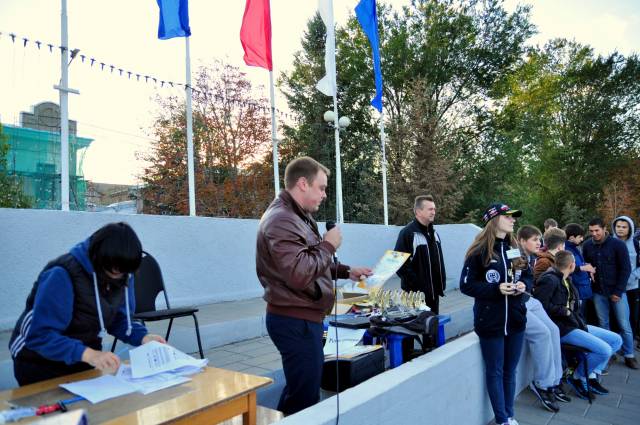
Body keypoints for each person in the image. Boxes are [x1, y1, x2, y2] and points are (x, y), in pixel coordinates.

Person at [255, 156, 372, 415]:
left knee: (301, 390)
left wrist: (346, 271)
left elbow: (309, 262)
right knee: (303, 398)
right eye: (321, 188)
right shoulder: (282, 220)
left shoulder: (298, 216)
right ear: (302, 184)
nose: (324, 194)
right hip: (294, 320)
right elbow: (299, 273)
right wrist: (329, 245)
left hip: (303, 318)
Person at [9, 222, 166, 386]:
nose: (121, 276)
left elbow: (118, 319)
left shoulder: (124, 274)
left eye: (126, 272)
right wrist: (90, 354)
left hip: (83, 357)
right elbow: (40, 336)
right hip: (38, 361)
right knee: (54, 403)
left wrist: (143, 337)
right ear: (101, 258)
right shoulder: (62, 274)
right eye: (116, 270)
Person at [460, 203, 527, 425]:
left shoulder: (515, 247)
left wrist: (524, 286)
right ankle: (502, 419)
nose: (513, 220)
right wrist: (495, 289)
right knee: (495, 371)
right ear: (494, 220)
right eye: (508, 217)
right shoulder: (478, 251)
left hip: (516, 320)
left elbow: (527, 275)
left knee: (510, 371)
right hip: (490, 322)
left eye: (513, 217)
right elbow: (466, 285)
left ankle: (510, 415)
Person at [534, 251, 622, 400]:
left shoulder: (566, 278)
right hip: (563, 329)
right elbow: (540, 306)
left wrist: (571, 314)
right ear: (571, 265)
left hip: (575, 323)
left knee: (616, 340)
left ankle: (590, 375)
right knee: (605, 350)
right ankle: (577, 376)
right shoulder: (549, 279)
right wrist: (564, 311)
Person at [516, 225, 568, 412]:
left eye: (539, 239)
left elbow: (529, 280)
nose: (539, 243)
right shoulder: (514, 254)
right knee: (542, 333)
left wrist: (524, 284)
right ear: (522, 241)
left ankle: (555, 380)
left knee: (553, 330)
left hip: (528, 299)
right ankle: (542, 384)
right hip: (516, 303)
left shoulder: (531, 257)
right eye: (535, 240)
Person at [583, 218, 638, 369]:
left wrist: (618, 291)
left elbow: (625, 269)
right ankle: (609, 353)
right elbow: (585, 264)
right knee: (603, 324)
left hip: (617, 291)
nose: (594, 234)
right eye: (591, 231)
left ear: (604, 228)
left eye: (597, 230)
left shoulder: (617, 244)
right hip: (598, 292)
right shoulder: (587, 245)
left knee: (624, 325)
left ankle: (629, 354)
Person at [394, 195, 446, 314]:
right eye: (430, 209)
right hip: (416, 297)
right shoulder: (407, 233)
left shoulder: (434, 234)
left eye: (434, 209)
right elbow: (399, 265)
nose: (433, 212)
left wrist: (440, 284)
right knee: (417, 325)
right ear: (418, 211)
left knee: (432, 324)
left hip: (434, 295)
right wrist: (417, 286)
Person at [611, 216, 640, 345]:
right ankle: (617, 343)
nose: (620, 229)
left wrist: (633, 276)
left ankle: (629, 344)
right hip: (615, 287)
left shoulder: (636, 244)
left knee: (632, 316)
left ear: (630, 229)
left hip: (632, 286)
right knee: (615, 317)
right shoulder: (609, 243)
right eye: (618, 226)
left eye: (624, 227)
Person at [564, 223, 596, 318]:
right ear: (571, 238)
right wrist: (583, 268)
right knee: (581, 317)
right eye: (580, 237)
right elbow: (567, 268)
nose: (582, 239)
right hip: (578, 290)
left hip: (583, 288)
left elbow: (579, 263)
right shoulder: (566, 250)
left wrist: (586, 266)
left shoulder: (574, 248)